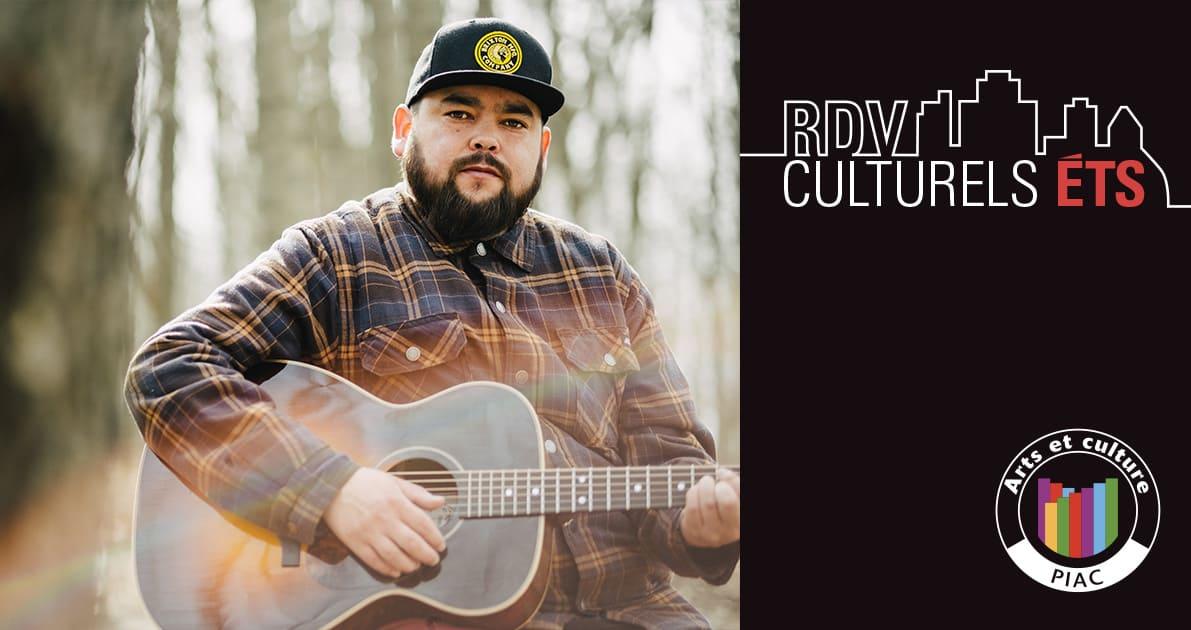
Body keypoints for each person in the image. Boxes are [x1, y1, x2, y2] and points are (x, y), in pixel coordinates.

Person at [124, 17, 739, 630]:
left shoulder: (604, 276)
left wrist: (701, 524)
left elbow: (671, 465)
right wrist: (329, 491)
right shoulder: (335, 255)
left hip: (631, 612)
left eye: (514, 121)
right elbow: (170, 367)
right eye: (459, 113)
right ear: (402, 130)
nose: (487, 139)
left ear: (542, 148)